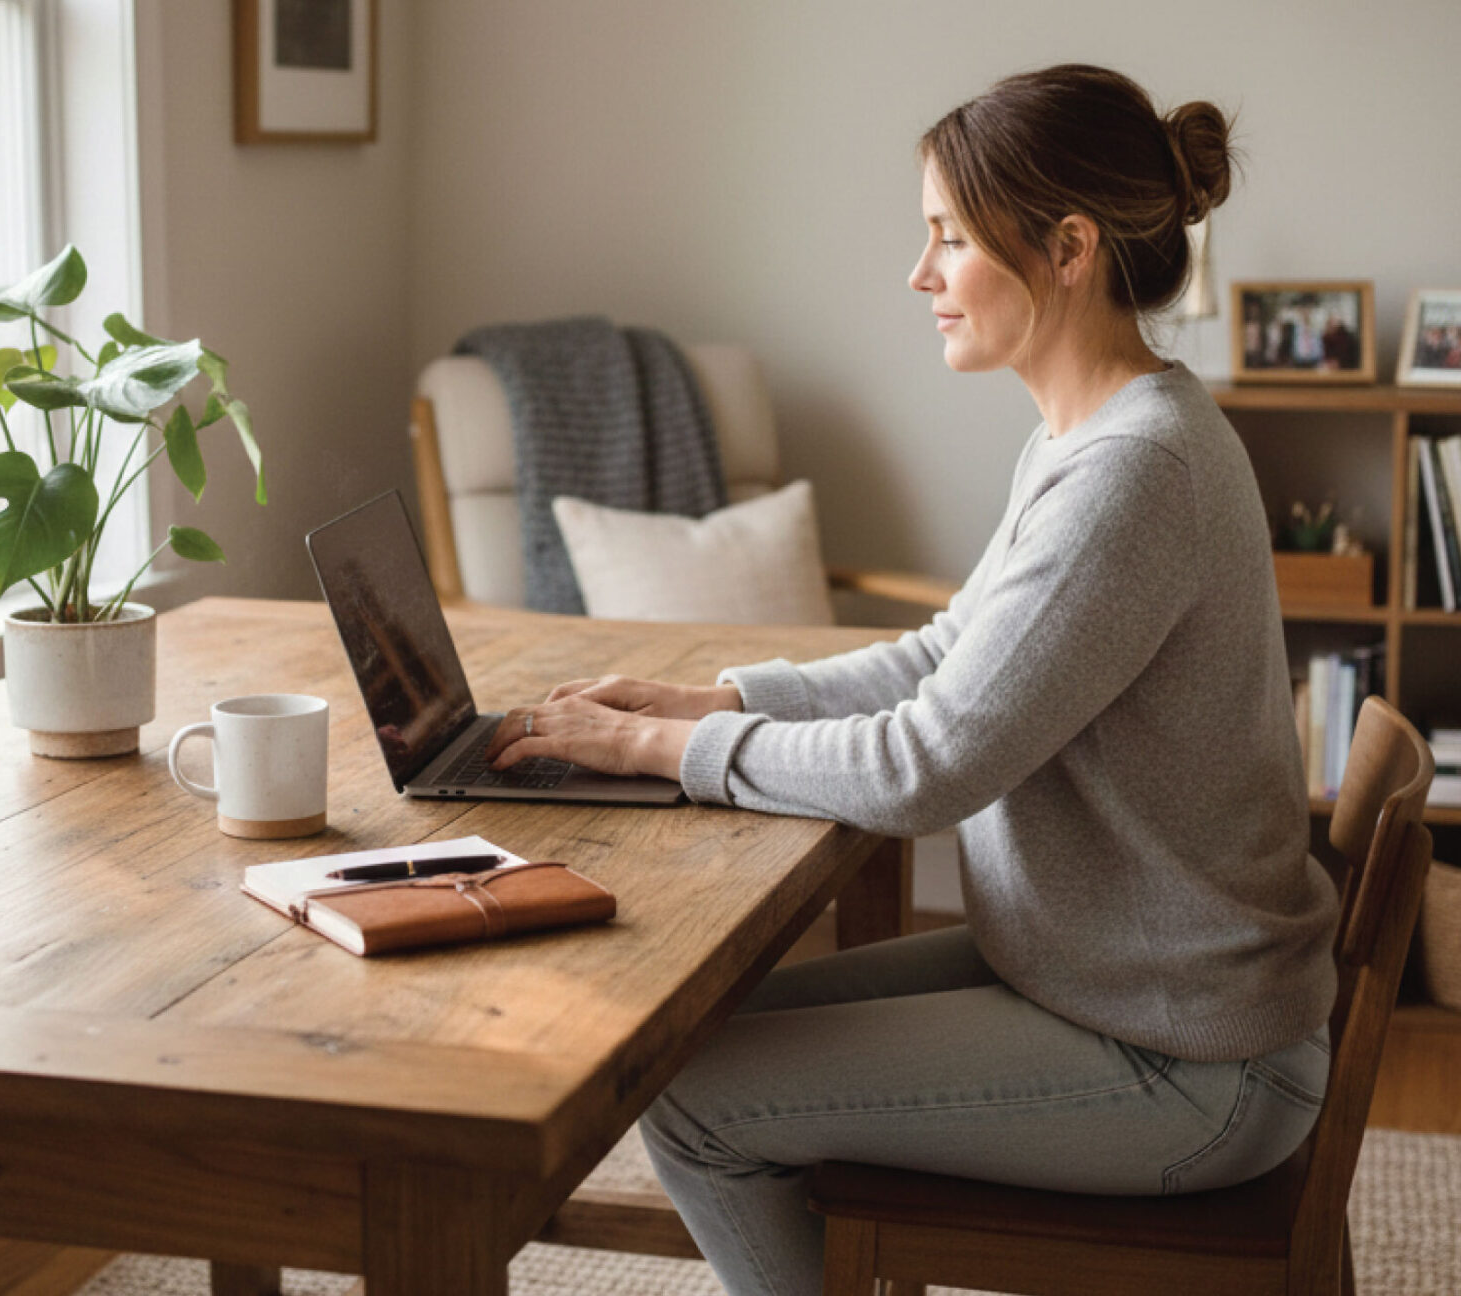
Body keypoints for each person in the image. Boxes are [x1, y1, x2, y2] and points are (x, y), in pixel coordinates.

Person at [483, 63, 1339, 1296]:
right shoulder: (1095, 431)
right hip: (1109, 985)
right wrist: (714, 703)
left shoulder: (1130, 474)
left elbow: (928, 764)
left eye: (946, 237)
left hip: (1186, 1063)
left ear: (1068, 249)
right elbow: (948, 656)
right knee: (688, 1043)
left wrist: (659, 755)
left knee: (698, 1104)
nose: (919, 273)